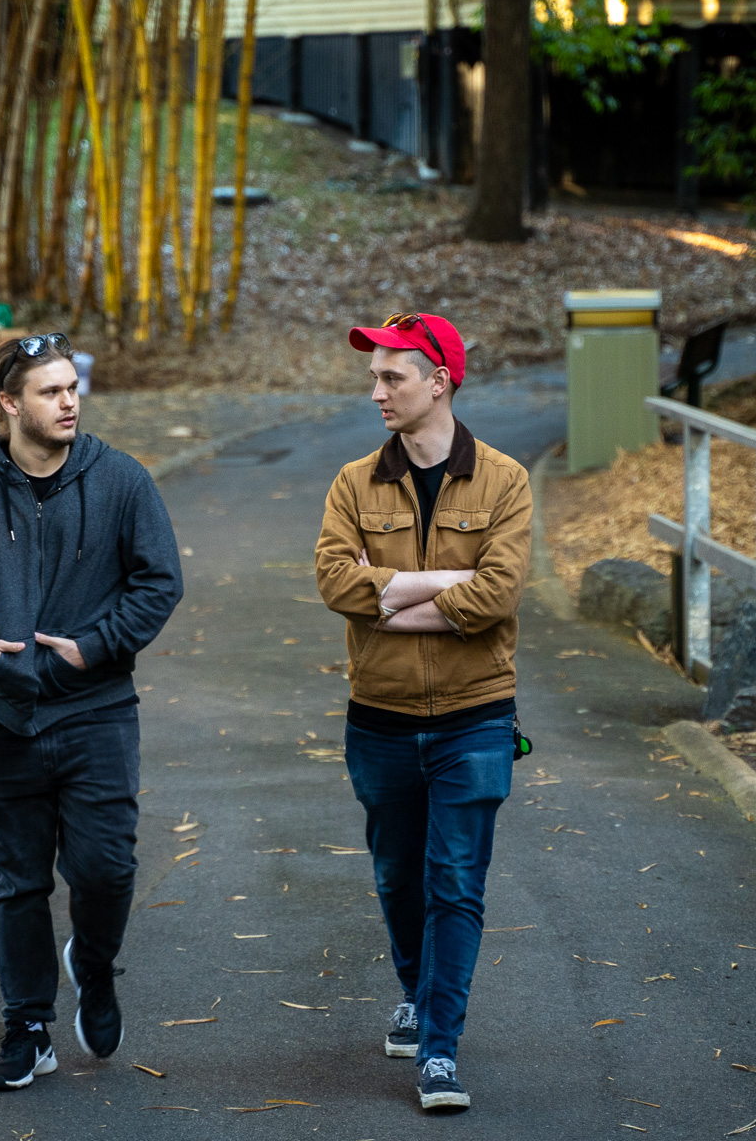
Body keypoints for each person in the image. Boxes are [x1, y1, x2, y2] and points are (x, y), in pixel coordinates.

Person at [0, 333, 183, 1091]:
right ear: (9, 403)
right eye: (50, 391)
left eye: (71, 388)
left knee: (106, 868)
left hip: (97, 710)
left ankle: (94, 964)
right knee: (20, 880)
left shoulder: (121, 480)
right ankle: (28, 1026)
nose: (68, 402)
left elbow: (159, 582)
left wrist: (97, 646)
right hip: (3, 719)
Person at [313, 312, 532, 1112]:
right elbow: (335, 582)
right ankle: (416, 990)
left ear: (438, 382)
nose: (376, 391)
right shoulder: (354, 483)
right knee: (398, 876)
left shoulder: (504, 480)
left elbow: (498, 593)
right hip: (380, 717)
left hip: (476, 716)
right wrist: (446, 584)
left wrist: (389, 600)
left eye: (390, 376)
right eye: (373, 376)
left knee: (456, 882)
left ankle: (439, 1048)